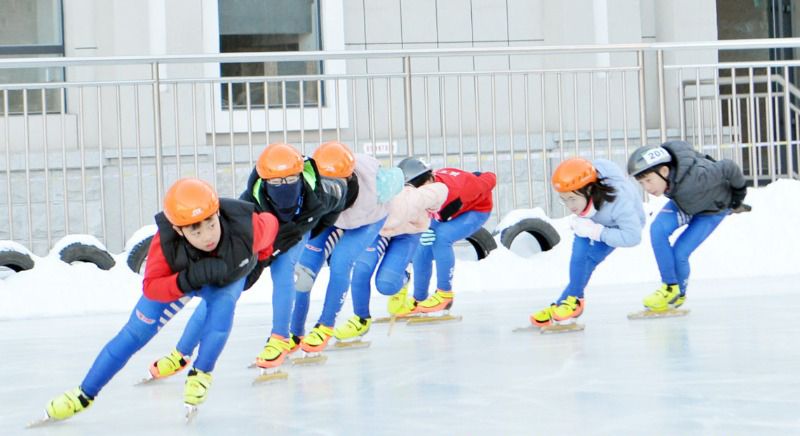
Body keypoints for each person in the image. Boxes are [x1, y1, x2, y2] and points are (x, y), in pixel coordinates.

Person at [40, 178, 279, 421]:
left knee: (222, 308)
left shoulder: (246, 226)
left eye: (210, 223)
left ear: (217, 212)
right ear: (178, 230)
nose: (207, 236)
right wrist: (186, 280)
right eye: (195, 229)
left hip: (227, 275)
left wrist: (260, 262)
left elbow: (271, 226)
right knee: (134, 334)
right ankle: (84, 394)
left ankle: (201, 374)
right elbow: (152, 288)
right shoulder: (165, 247)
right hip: (183, 275)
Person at [145, 142, 349, 378]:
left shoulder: (321, 192)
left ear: (300, 177)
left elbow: (339, 199)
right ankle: (182, 352)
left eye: (289, 180)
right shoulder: (248, 208)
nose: (283, 187)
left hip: (295, 233)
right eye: (275, 182)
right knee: (221, 293)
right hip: (261, 239)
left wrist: (313, 228)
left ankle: (280, 338)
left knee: (284, 273)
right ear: (265, 182)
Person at [290, 144, 404, 352]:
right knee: (304, 270)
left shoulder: (378, 184)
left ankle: (325, 326)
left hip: (367, 220)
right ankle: (294, 333)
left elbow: (399, 177)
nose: (330, 189)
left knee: (342, 262)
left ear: (349, 177)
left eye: (336, 183)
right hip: (330, 219)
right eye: (324, 182)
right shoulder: (307, 182)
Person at [334, 157, 448, 340]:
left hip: (406, 235)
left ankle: (403, 278)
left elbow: (440, 193)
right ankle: (361, 319)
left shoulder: (423, 193)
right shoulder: (411, 194)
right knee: (361, 270)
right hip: (379, 231)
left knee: (386, 285)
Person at [627, 141, 746, 310]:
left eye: (648, 180)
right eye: (642, 183)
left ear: (664, 171)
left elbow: (729, 166)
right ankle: (670, 287)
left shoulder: (698, 178)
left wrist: (739, 193)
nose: (646, 188)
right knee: (657, 230)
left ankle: (679, 294)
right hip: (686, 203)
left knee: (680, 253)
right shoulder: (670, 177)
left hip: (711, 211)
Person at [530, 157, 645, 326]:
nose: (569, 205)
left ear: (589, 189)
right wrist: (586, 224)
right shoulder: (582, 187)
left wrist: (598, 232)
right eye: (565, 199)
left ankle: (574, 301)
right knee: (578, 257)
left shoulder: (619, 201)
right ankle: (564, 303)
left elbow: (633, 237)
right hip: (590, 217)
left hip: (616, 227)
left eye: (572, 199)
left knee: (591, 260)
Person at [398, 159, 496, 315]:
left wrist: (478, 176)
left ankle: (445, 295)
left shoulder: (462, 187)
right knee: (422, 249)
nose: (425, 195)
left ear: (431, 178)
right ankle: (419, 300)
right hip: (444, 214)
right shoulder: (414, 194)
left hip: (475, 211)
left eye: (425, 189)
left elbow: (490, 178)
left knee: (441, 238)